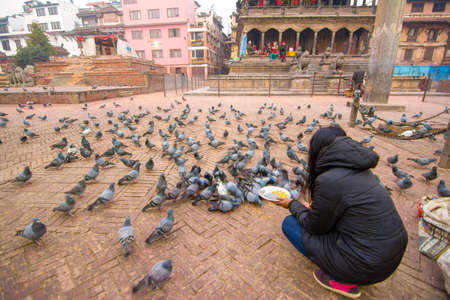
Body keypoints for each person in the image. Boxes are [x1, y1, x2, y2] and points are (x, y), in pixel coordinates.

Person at [276, 126, 408, 299]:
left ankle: (341, 280)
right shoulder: (362, 170)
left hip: (365, 265)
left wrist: (292, 204)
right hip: (388, 257)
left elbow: (314, 227)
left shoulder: (328, 180)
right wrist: (315, 209)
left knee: (290, 224)